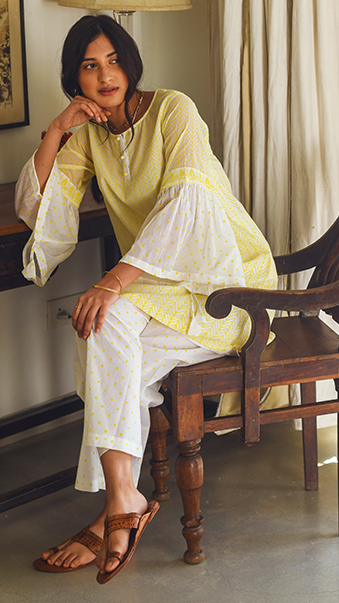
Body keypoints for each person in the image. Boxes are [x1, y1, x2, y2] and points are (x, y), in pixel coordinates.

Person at [15, 14, 277, 583]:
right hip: (157, 287)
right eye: (90, 66)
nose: (105, 75)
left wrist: (111, 280)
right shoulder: (89, 134)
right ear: (75, 78)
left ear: (130, 62)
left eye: (114, 60)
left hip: (227, 287)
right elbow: (39, 208)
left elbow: (187, 204)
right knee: (107, 339)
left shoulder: (174, 110)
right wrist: (57, 129)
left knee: (106, 331)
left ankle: (115, 508)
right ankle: (124, 501)